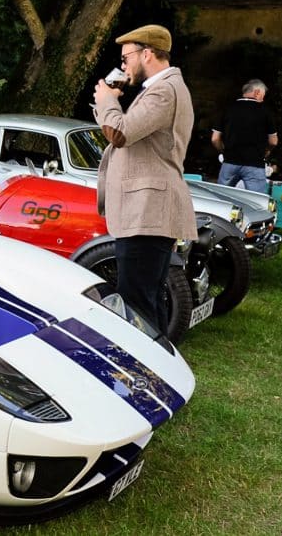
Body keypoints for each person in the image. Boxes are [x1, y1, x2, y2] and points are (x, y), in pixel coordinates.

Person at [92, 24, 197, 337]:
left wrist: (106, 98)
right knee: (148, 301)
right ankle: (160, 372)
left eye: (127, 58)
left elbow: (121, 133)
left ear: (147, 53)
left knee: (137, 304)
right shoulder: (163, 88)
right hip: (147, 213)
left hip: (147, 213)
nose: (124, 65)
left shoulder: (164, 90)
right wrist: (108, 103)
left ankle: (148, 378)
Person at [211, 79, 277, 193]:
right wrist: (267, 151)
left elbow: (215, 139)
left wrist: (223, 151)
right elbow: (273, 141)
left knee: (222, 199)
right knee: (257, 203)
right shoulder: (266, 112)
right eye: (263, 95)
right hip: (255, 164)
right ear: (257, 92)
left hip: (230, 162)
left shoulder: (228, 109)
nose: (263, 99)